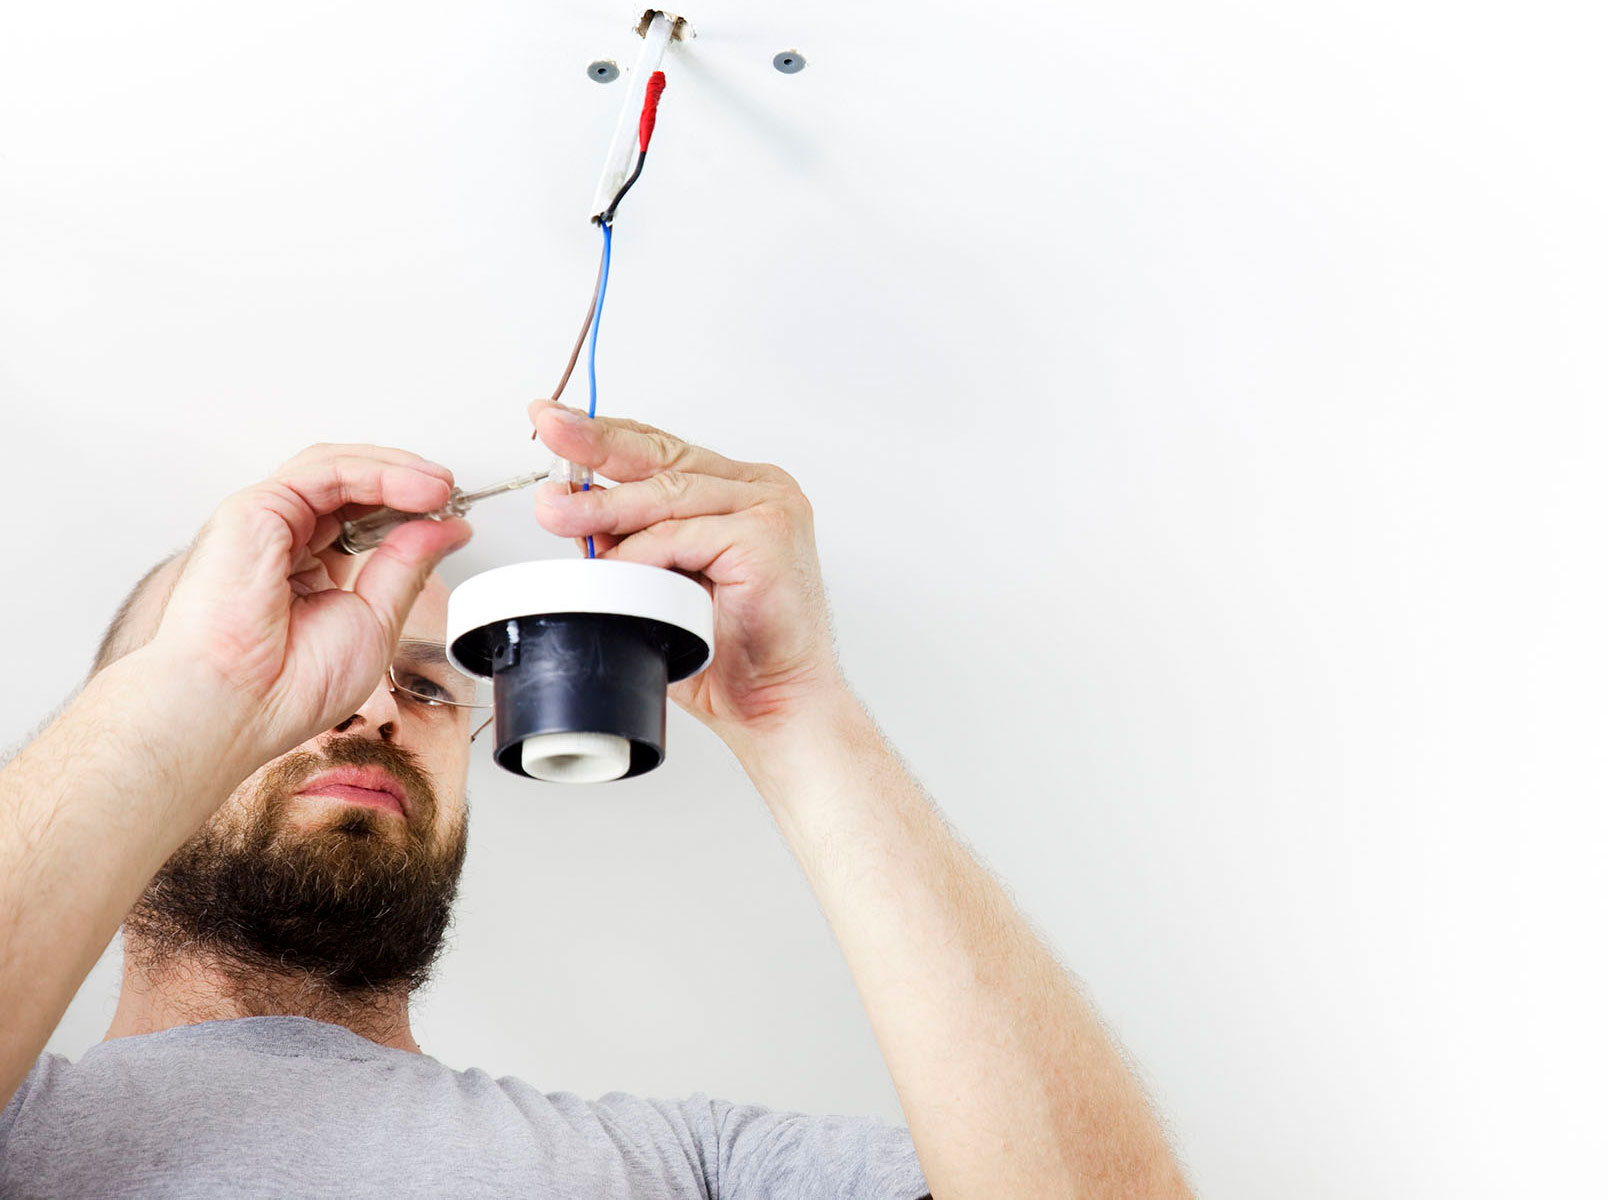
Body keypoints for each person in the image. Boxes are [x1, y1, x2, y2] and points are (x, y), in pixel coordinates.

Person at [0, 399, 1192, 1198]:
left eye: (422, 684)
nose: (367, 709)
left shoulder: (676, 1166)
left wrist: (796, 710)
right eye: (282, 667)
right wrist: (202, 684)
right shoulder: (25, 1130)